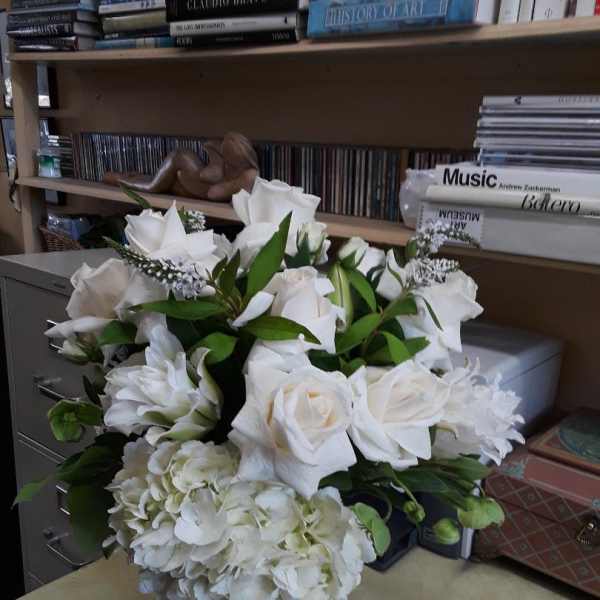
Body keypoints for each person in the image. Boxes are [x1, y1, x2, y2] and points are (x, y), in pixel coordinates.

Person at [103, 132, 258, 202]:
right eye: (227, 160)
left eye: (231, 162)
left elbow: (214, 193)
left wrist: (230, 184)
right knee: (151, 187)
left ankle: (122, 177)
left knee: (162, 184)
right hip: (181, 162)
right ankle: (120, 180)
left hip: (186, 183)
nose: (228, 165)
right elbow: (211, 191)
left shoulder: (248, 175)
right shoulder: (229, 171)